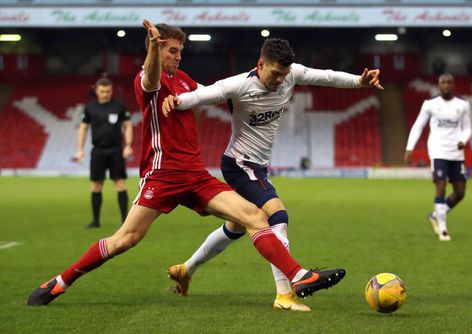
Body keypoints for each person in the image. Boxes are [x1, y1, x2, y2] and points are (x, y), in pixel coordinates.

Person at [27, 20, 345, 307]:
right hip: (163, 176)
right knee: (126, 239)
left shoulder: (184, 80)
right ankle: (60, 282)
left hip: (195, 175)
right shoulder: (145, 80)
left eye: (180, 51)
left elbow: (209, 94)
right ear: (156, 50)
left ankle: (299, 275)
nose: (178, 56)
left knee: (255, 215)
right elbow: (151, 78)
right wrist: (153, 49)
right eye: (172, 51)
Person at [162, 38, 383, 311]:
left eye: (284, 74)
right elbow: (206, 94)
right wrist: (178, 100)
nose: (280, 80)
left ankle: (186, 269)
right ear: (260, 64)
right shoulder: (240, 84)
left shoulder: (291, 75)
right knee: (277, 215)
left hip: (258, 166)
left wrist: (359, 82)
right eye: (274, 73)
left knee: (238, 226)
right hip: (239, 164)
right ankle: (285, 294)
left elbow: (326, 77)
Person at [404, 73, 471, 241]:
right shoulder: (430, 104)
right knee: (440, 187)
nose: (446, 85)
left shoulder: (463, 105)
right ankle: (443, 229)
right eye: (443, 82)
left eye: (449, 82)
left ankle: (435, 215)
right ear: (438, 85)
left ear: (453, 84)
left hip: (456, 154)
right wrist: (409, 148)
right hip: (438, 151)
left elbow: (467, 128)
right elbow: (418, 126)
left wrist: (463, 140)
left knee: (460, 192)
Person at [75, 76, 133, 228]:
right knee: (96, 185)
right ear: (97, 91)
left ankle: (124, 220)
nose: (105, 94)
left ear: (111, 90)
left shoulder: (119, 106)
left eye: (108, 91)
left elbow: (127, 126)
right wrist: (80, 150)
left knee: (120, 183)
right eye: (102, 91)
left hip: (116, 150)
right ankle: (95, 221)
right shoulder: (90, 108)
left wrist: (128, 145)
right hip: (98, 150)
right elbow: (83, 128)